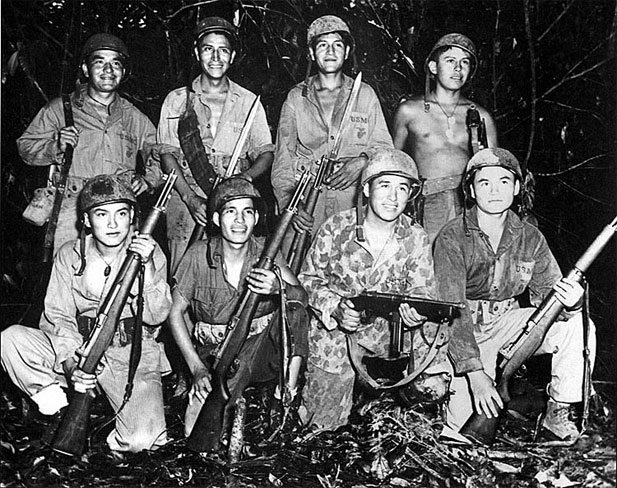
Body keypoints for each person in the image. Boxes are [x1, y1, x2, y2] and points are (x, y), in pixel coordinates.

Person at [434, 148, 596, 442]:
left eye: (504, 181)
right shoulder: (451, 237)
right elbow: (451, 311)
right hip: (461, 334)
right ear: (471, 189)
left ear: (517, 187)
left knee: (577, 326)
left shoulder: (530, 236)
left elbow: (552, 297)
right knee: (458, 434)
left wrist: (573, 304)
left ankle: (559, 411)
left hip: (508, 324)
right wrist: (475, 374)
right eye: (485, 183)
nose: (495, 190)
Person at [1, 175, 172, 453]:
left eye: (121, 213)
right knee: (10, 340)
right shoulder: (70, 254)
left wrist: (148, 267)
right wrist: (71, 366)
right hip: (80, 346)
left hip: (129, 352)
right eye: (102, 214)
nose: (113, 224)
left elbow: (156, 316)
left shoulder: (149, 252)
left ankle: (114, 417)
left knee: (145, 442)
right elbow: (58, 316)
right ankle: (61, 408)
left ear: (132, 218)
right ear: (87, 220)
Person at [298, 148, 449, 431]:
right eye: (385, 185)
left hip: (390, 336)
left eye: (402, 188)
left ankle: (410, 414)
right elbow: (308, 280)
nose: (393, 197)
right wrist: (336, 308)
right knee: (321, 430)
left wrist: (416, 313)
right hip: (338, 336)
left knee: (428, 377)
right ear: (366, 188)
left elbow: (424, 290)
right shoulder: (336, 228)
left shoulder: (415, 236)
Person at [167, 176, 308, 437]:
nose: (240, 221)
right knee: (197, 433)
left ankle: (285, 395)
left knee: (294, 307)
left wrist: (279, 289)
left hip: (264, 346)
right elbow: (175, 314)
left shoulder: (268, 251)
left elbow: (301, 296)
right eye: (231, 212)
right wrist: (197, 368)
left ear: (256, 219)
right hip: (216, 350)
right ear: (217, 219)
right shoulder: (198, 255)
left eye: (247, 212)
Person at [17, 33, 161, 252]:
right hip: (71, 211)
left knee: (117, 280)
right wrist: (55, 146)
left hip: (118, 212)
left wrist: (149, 180)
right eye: (99, 62)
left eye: (116, 63)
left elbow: (161, 154)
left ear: (123, 72)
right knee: (69, 274)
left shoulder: (135, 117)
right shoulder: (60, 109)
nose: (108, 70)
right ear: (85, 69)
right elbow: (25, 147)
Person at [156, 17, 274, 274]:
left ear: (232, 56)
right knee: (182, 272)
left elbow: (265, 152)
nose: (216, 56)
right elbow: (167, 155)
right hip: (188, 194)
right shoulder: (177, 100)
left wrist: (245, 178)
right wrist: (189, 198)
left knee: (230, 270)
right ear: (198, 53)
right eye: (208, 48)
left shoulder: (248, 102)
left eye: (223, 49)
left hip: (235, 198)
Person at [271, 15, 393, 244]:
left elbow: (384, 147)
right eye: (322, 45)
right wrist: (290, 204)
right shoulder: (297, 97)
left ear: (346, 53)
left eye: (337, 45)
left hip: (350, 197)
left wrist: (362, 161)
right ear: (311, 53)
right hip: (306, 199)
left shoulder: (364, 94)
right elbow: (283, 156)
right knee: (296, 266)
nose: (330, 51)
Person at [392, 33, 497, 244]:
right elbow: (392, 165)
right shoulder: (409, 111)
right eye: (450, 61)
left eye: (464, 62)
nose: (458, 69)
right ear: (433, 67)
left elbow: (494, 170)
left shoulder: (480, 116)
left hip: (468, 205)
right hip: (427, 206)